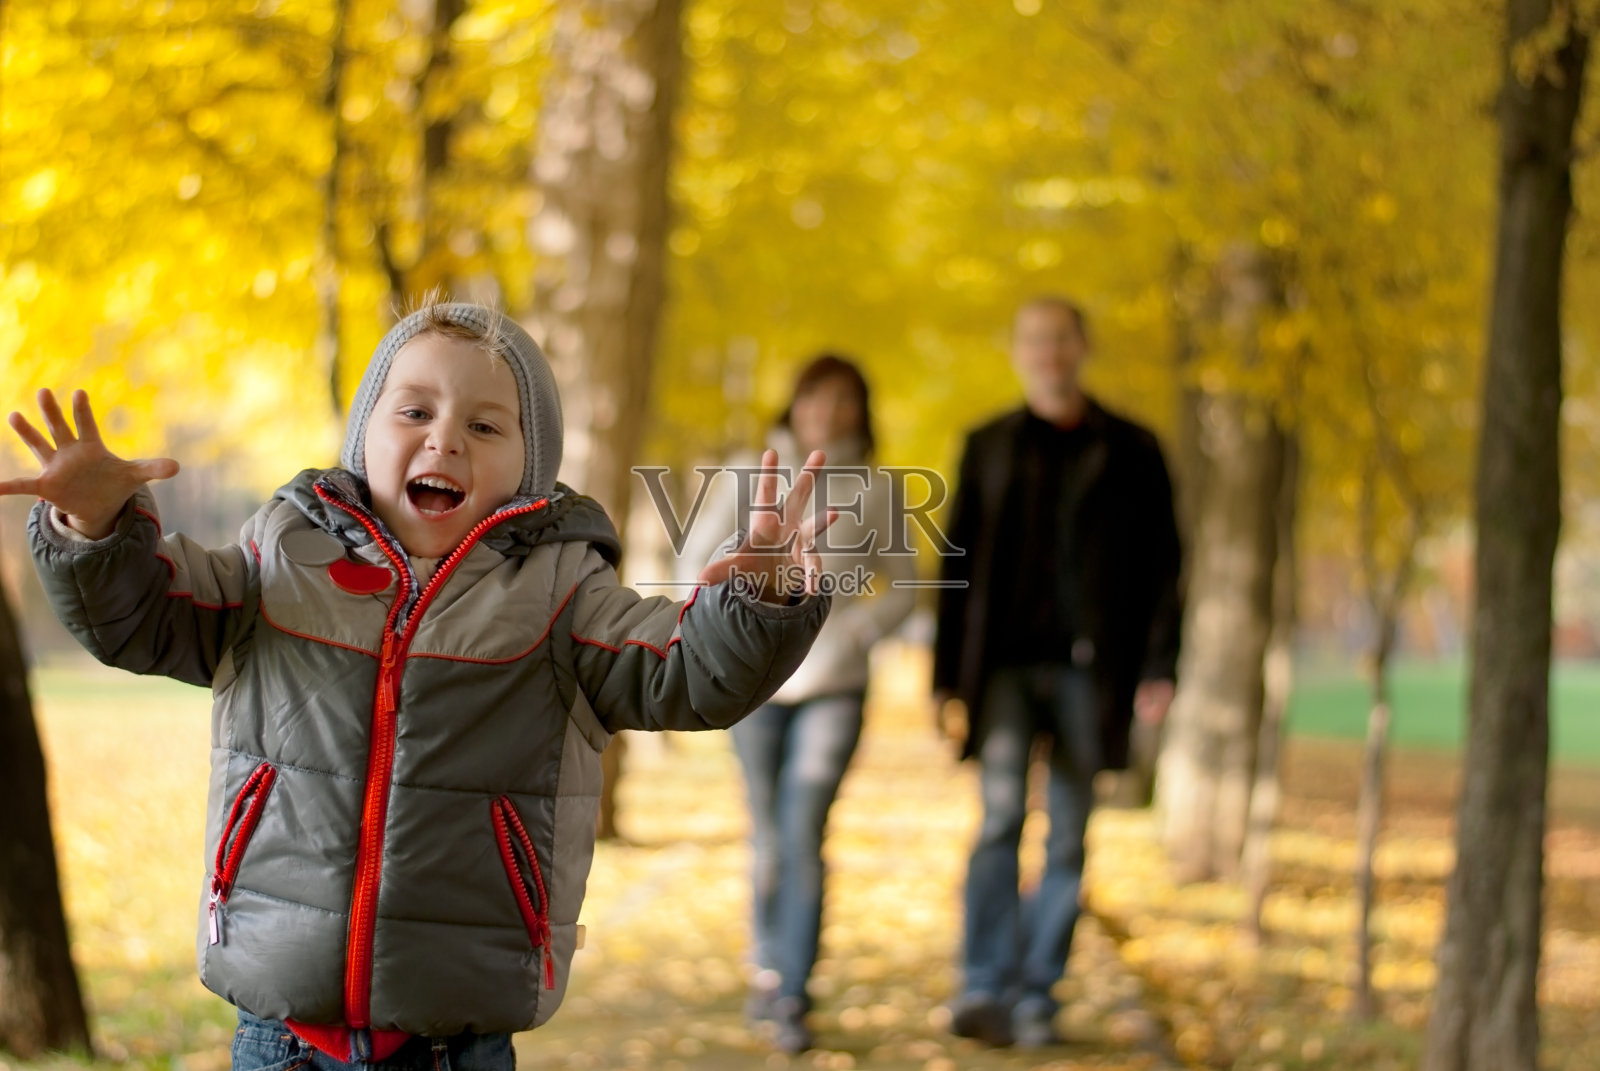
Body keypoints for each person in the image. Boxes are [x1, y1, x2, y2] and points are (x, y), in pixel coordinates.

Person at [4, 300, 834, 1070]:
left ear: (531, 467)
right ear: (365, 435)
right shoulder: (281, 557)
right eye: (415, 412)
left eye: (484, 423)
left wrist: (758, 601)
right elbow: (144, 613)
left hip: (453, 1037)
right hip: (279, 1027)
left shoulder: (560, 593)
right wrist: (95, 527)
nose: (445, 440)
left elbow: (685, 670)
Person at [932, 296, 1182, 1049]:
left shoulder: (1136, 450)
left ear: (1082, 346)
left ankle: (1040, 991)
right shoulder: (988, 445)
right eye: (1035, 338)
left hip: (1093, 672)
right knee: (1001, 817)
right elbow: (954, 560)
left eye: (1062, 337)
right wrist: (945, 680)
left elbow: (1167, 570)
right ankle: (985, 984)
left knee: (1070, 833)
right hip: (1001, 668)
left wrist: (1160, 667)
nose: (1049, 351)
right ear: (1019, 350)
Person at [682, 354, 914, 1053]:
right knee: (768, 831)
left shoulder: (878, 488)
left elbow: (904, 586)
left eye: (846, 400)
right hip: (753, 682)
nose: (829, 411)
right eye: (818, 396)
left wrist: (852, 632)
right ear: (796, 401)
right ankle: (766, 966)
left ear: (860, 412)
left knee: (803, 825)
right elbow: (697, 562)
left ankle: (792, 987)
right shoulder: (745, 472)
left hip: (833, 687)